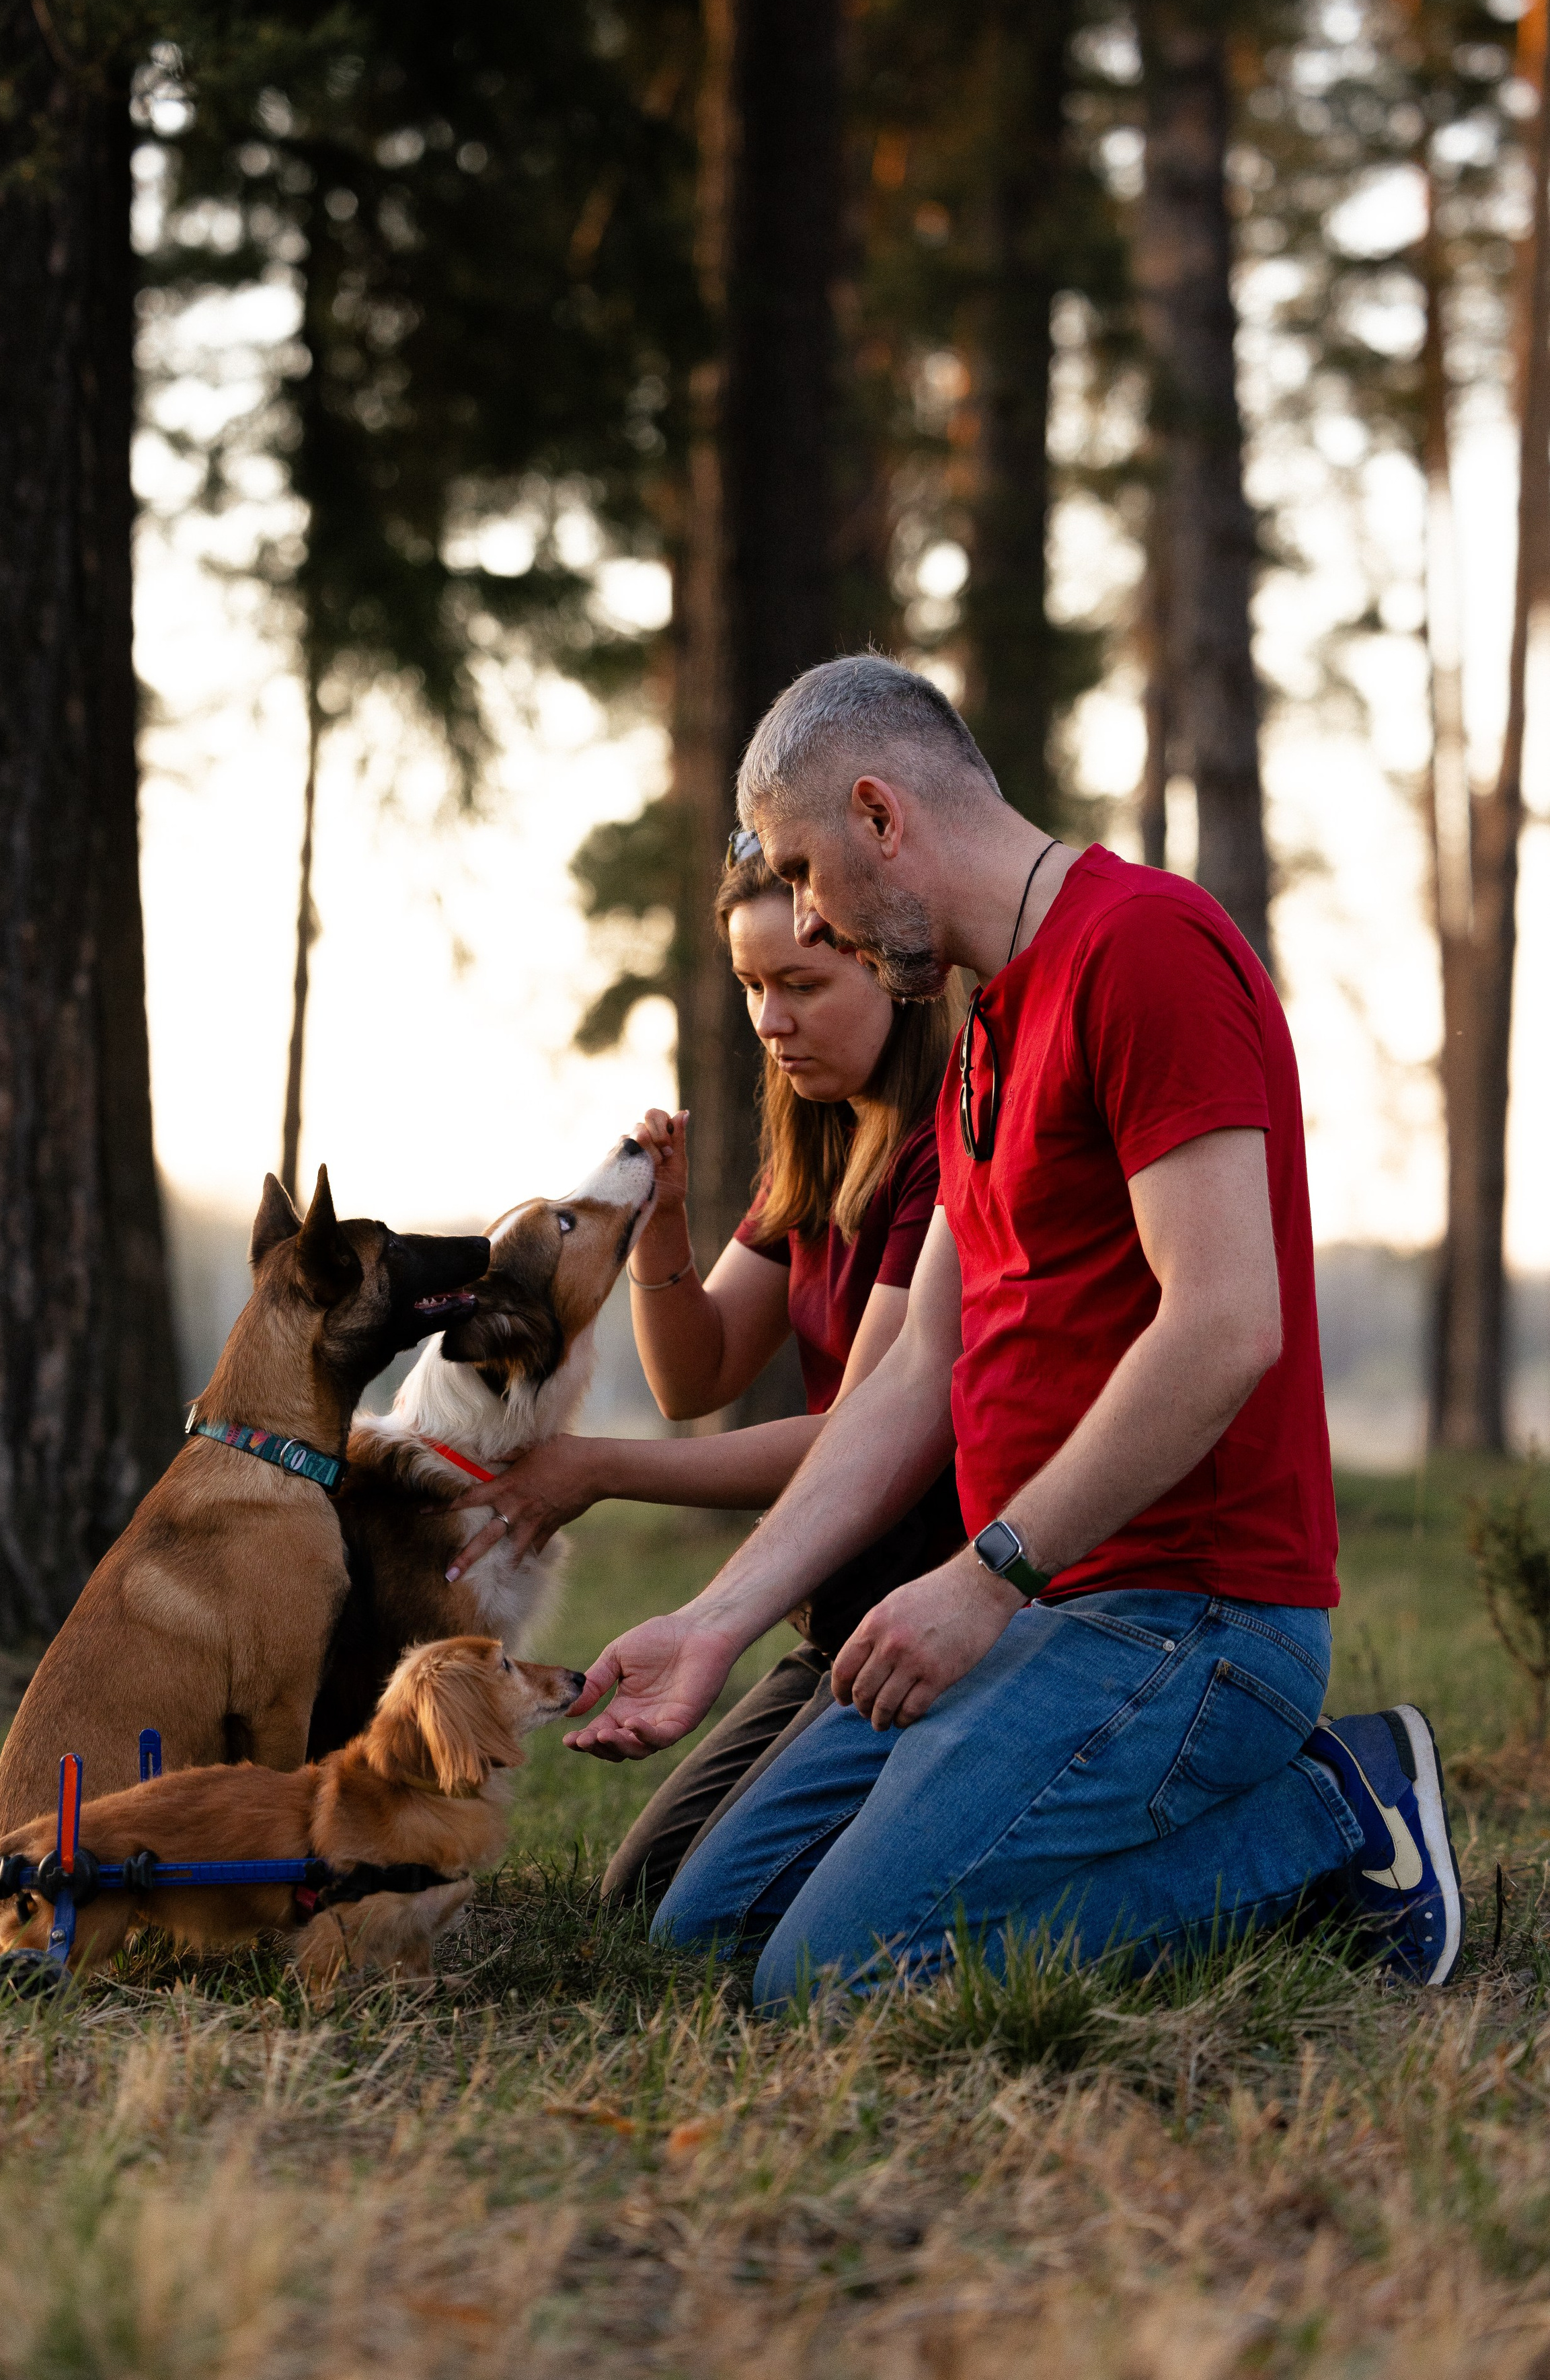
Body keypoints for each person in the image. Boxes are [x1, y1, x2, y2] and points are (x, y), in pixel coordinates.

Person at [561, 654, 1463, 2005]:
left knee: (824, 1978)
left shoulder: (1143, 949)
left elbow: (1223, 1324)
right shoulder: (987, 1020)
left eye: (806, 872)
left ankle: (1337, 1816)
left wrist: (984, 1573)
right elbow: (920, 1368)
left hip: (1190, 1614)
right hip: (1043, 1609)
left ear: (878, 816)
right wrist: (712, 1620)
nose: (812, 917)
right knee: (701, 1933)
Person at [446, 836, 965, 1906]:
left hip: (934, 1612)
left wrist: (594, 1466)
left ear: (894, 972)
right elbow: (700, 1371)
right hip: (833, 1620)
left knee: (722, 1911)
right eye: (752, 987)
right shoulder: (817, 1143)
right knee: (643, 1894)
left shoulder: (941, 1151)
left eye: (802, 984)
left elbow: (859, 1429)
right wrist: (658, 1227)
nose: (771, 1021)